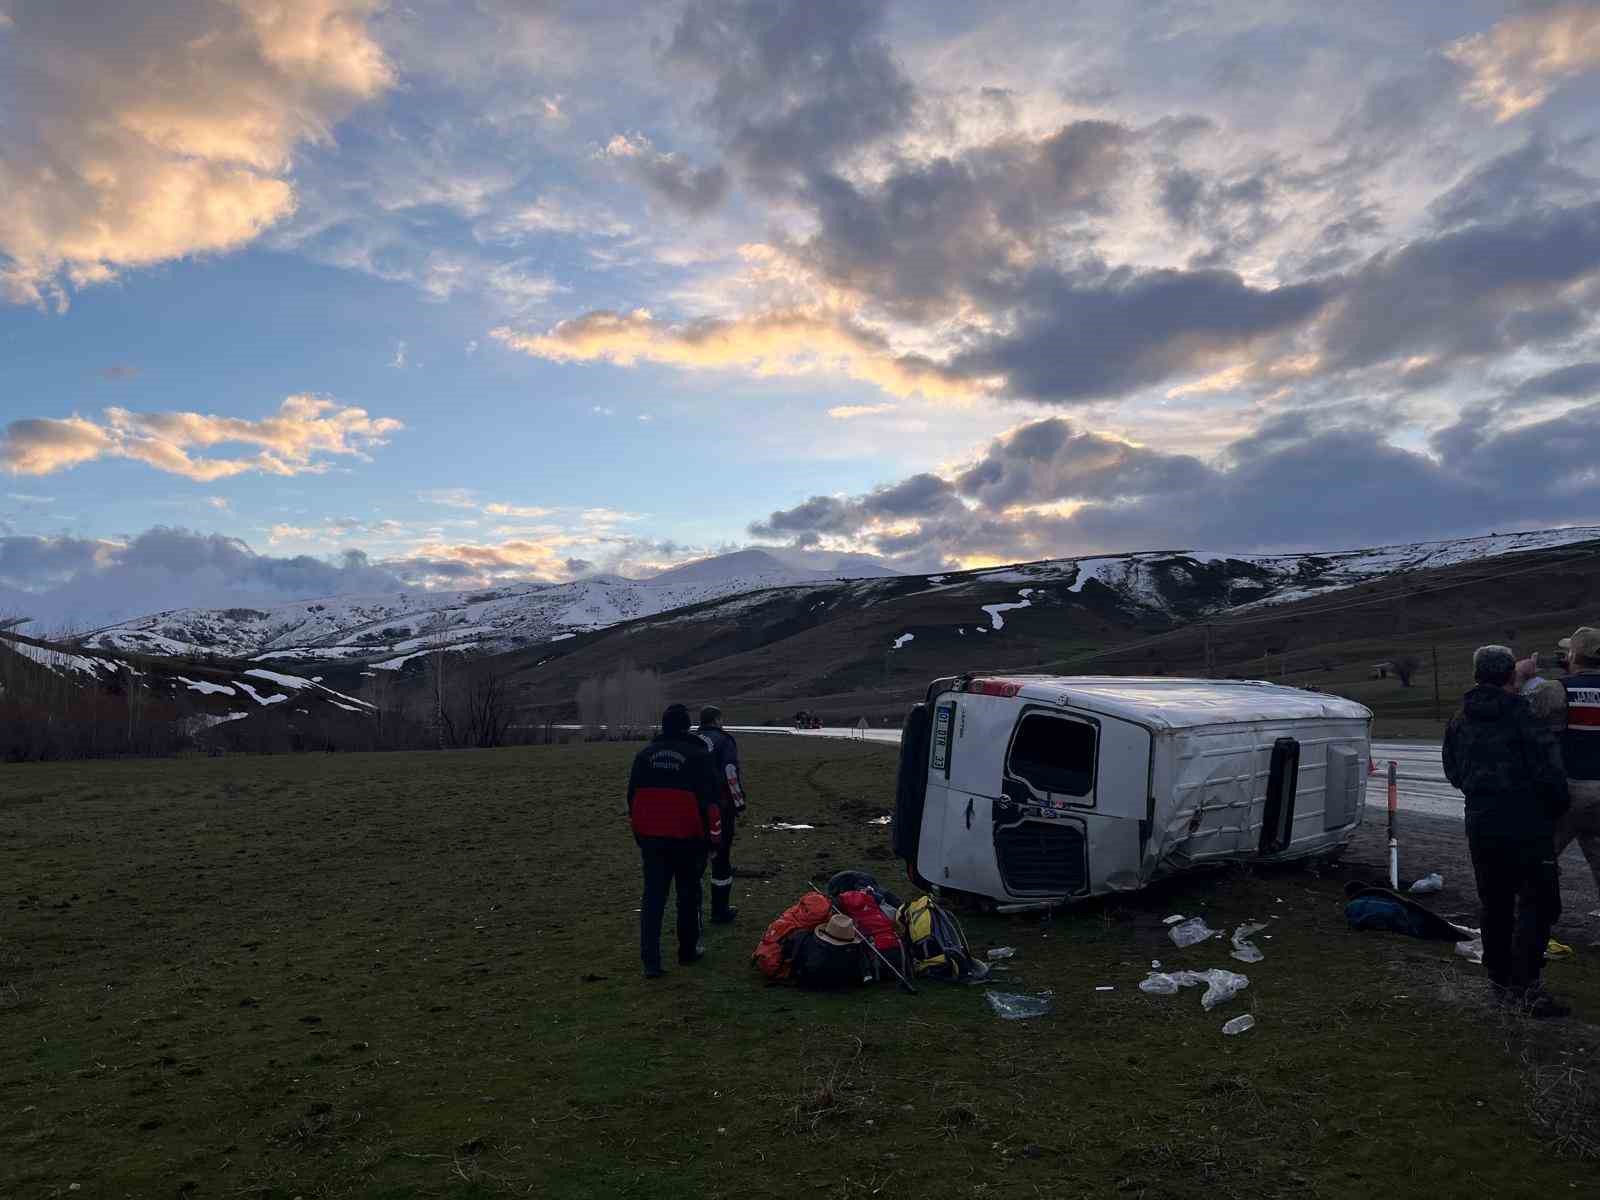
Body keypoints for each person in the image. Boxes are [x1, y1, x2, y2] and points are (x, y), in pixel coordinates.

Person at [1443, 645, 1570, 1016]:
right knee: (1539, 903)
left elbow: (1453, 772)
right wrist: (1552, 809)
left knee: (1495, 903)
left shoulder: (1458, 719)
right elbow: (1550, 773)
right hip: (1527, 823)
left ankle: (1499, 983)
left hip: (1481, 822)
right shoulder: (1524, 716)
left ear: (1476, 674)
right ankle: (1528, 986)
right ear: (1510, 676)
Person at [628, 703, 724, 978]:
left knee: (653, 897)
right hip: (689, 838)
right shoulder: (698, 755)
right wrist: (714, 842)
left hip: (651, 839)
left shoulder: (644, 756)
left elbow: (632, 798)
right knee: (688, 894)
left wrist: (640, 834)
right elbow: (711, 804)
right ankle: (688, 950)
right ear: (686, 727)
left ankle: (650, 960)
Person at [1520, 628, 1600, 901]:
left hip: (1570, 789)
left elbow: (1519, 716)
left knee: (1538, 858)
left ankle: (1530, 927)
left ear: (1574, 654)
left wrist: (1525, 677)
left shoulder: (1556, 689)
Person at [696, 705, 748, 924]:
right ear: (717, 720)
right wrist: (739, 803)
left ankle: (693, 914)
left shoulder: (692, 739)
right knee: (721, 858)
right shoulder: (724, 741)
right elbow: (730, 772)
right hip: (719, 808)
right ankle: (719, 911)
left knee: (695, 861)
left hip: (692, 807)